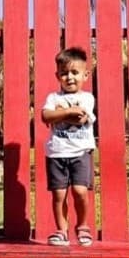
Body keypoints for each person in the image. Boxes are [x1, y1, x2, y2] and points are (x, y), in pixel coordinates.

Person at [41, 46, 96, 246]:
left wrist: (60, 112)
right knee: (59, 194)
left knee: (80, 191)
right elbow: (45, 116)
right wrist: (67, 112)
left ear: (85, 75)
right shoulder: (52, 98)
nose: (69, 77)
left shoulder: (87, 98)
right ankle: (61, 231)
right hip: (56, 153)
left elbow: (81, 119)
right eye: (64, 73)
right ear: (58, 75)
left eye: (75, 72)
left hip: (80, 153)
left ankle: (82, 226)